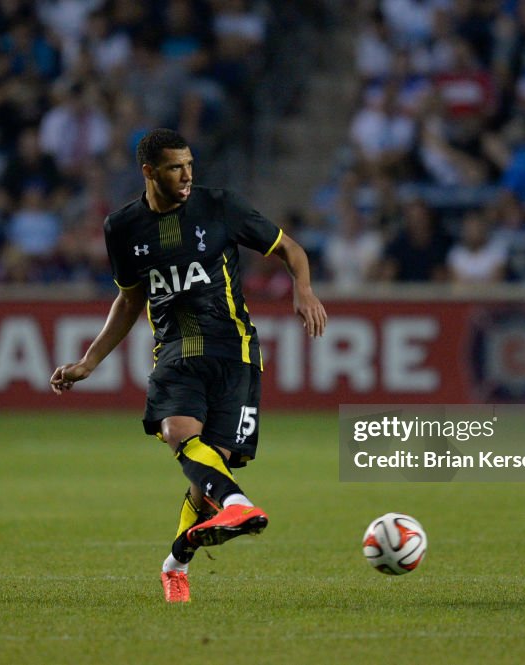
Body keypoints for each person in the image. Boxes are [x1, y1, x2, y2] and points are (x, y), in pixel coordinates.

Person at [49, 128, 327, 603]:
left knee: (206, 479)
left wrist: (303, 288)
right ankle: (238, 504)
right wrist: (90, 360)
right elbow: (130, 298)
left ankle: (176, 562)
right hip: (176, 353)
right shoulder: (122, 227)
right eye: (176, 167)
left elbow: (291, 250)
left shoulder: (219, 205)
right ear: (148, 171)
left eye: (190, 166)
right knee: (179, 433)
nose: (187, 176)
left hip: (235, 351)